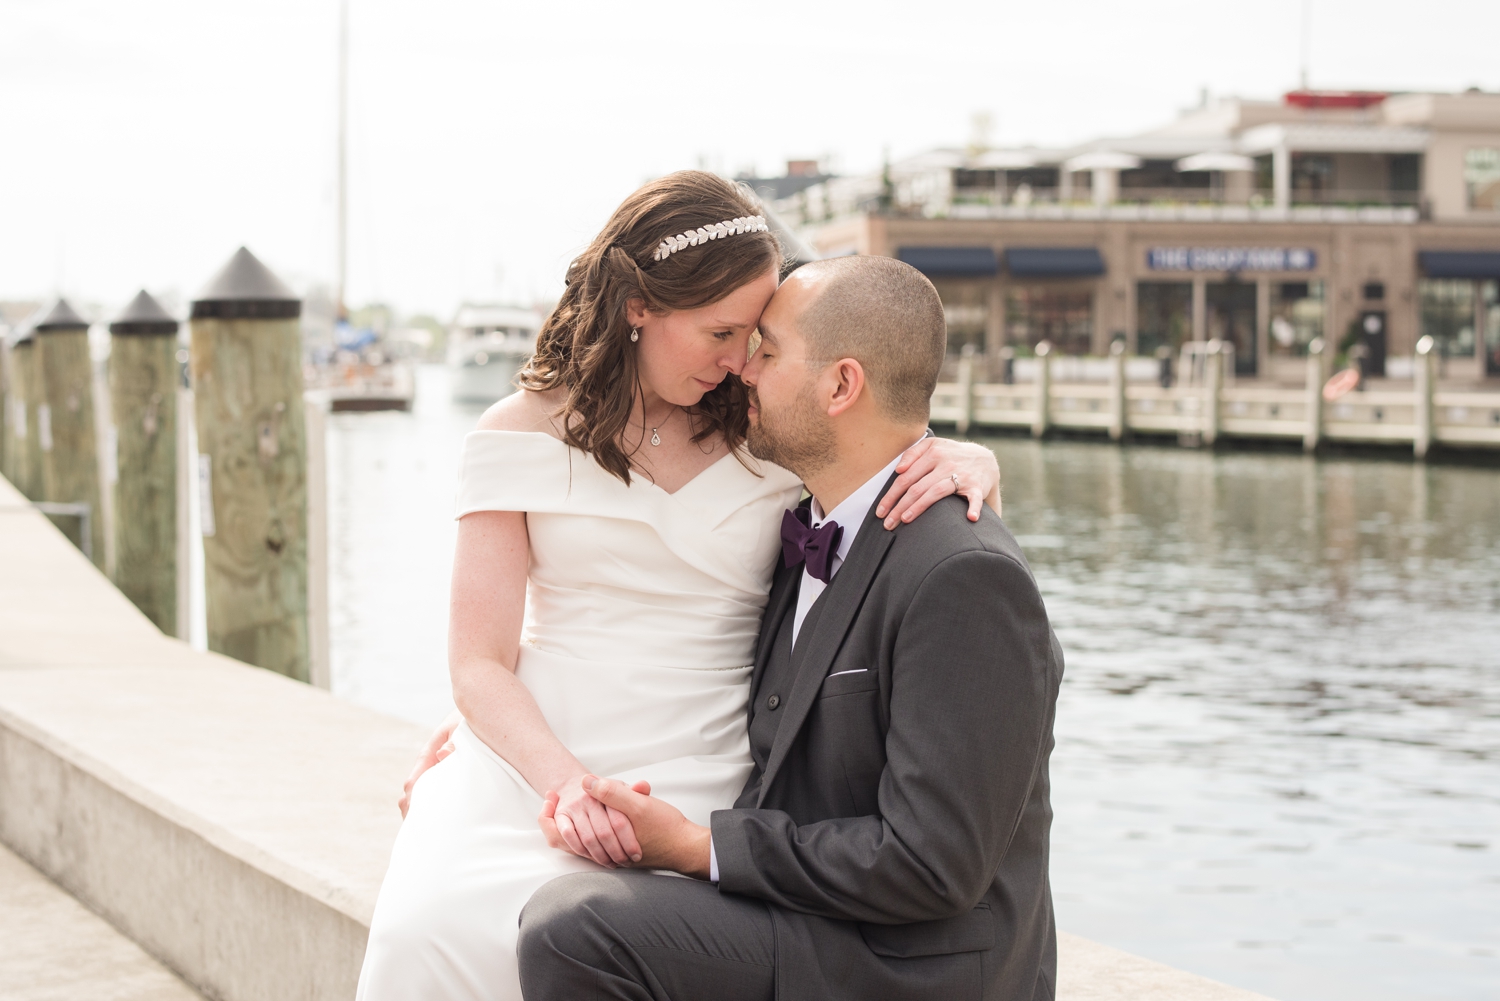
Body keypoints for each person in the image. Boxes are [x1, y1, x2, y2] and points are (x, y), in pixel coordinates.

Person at [355, 171, 1003, 1001]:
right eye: (720, 332)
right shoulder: (512, 435)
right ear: (639, 309)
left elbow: (874, 453)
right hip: (532, 761)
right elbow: (478, 663)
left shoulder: (768, 438)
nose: (741, 361)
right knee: (425, 930)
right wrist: (561, 783)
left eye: (757, 338)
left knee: (599, 934)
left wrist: (973, 457)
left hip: (702, 764)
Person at [516, 254, 1063, 1001]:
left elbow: (934, 864)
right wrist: (481, 729)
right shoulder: (805, 528)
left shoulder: (964, 575)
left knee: (577, 928)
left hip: (911, 964)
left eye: (766, 351)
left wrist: (693, 847)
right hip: (813, 913)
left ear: (841, 384)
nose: (742, 368)